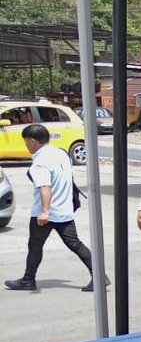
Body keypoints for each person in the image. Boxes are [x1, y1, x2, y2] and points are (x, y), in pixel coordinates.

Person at [5, 124, 98, 292]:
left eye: (26, 142)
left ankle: (28, 280)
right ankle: (99, 277)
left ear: (33, 141)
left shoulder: (40, 161)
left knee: (34, 246)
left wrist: (44, 211)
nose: (26, 145)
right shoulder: (62, 153)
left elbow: (45, 187)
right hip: (64, 210)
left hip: (46, 214)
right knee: (75, 244)